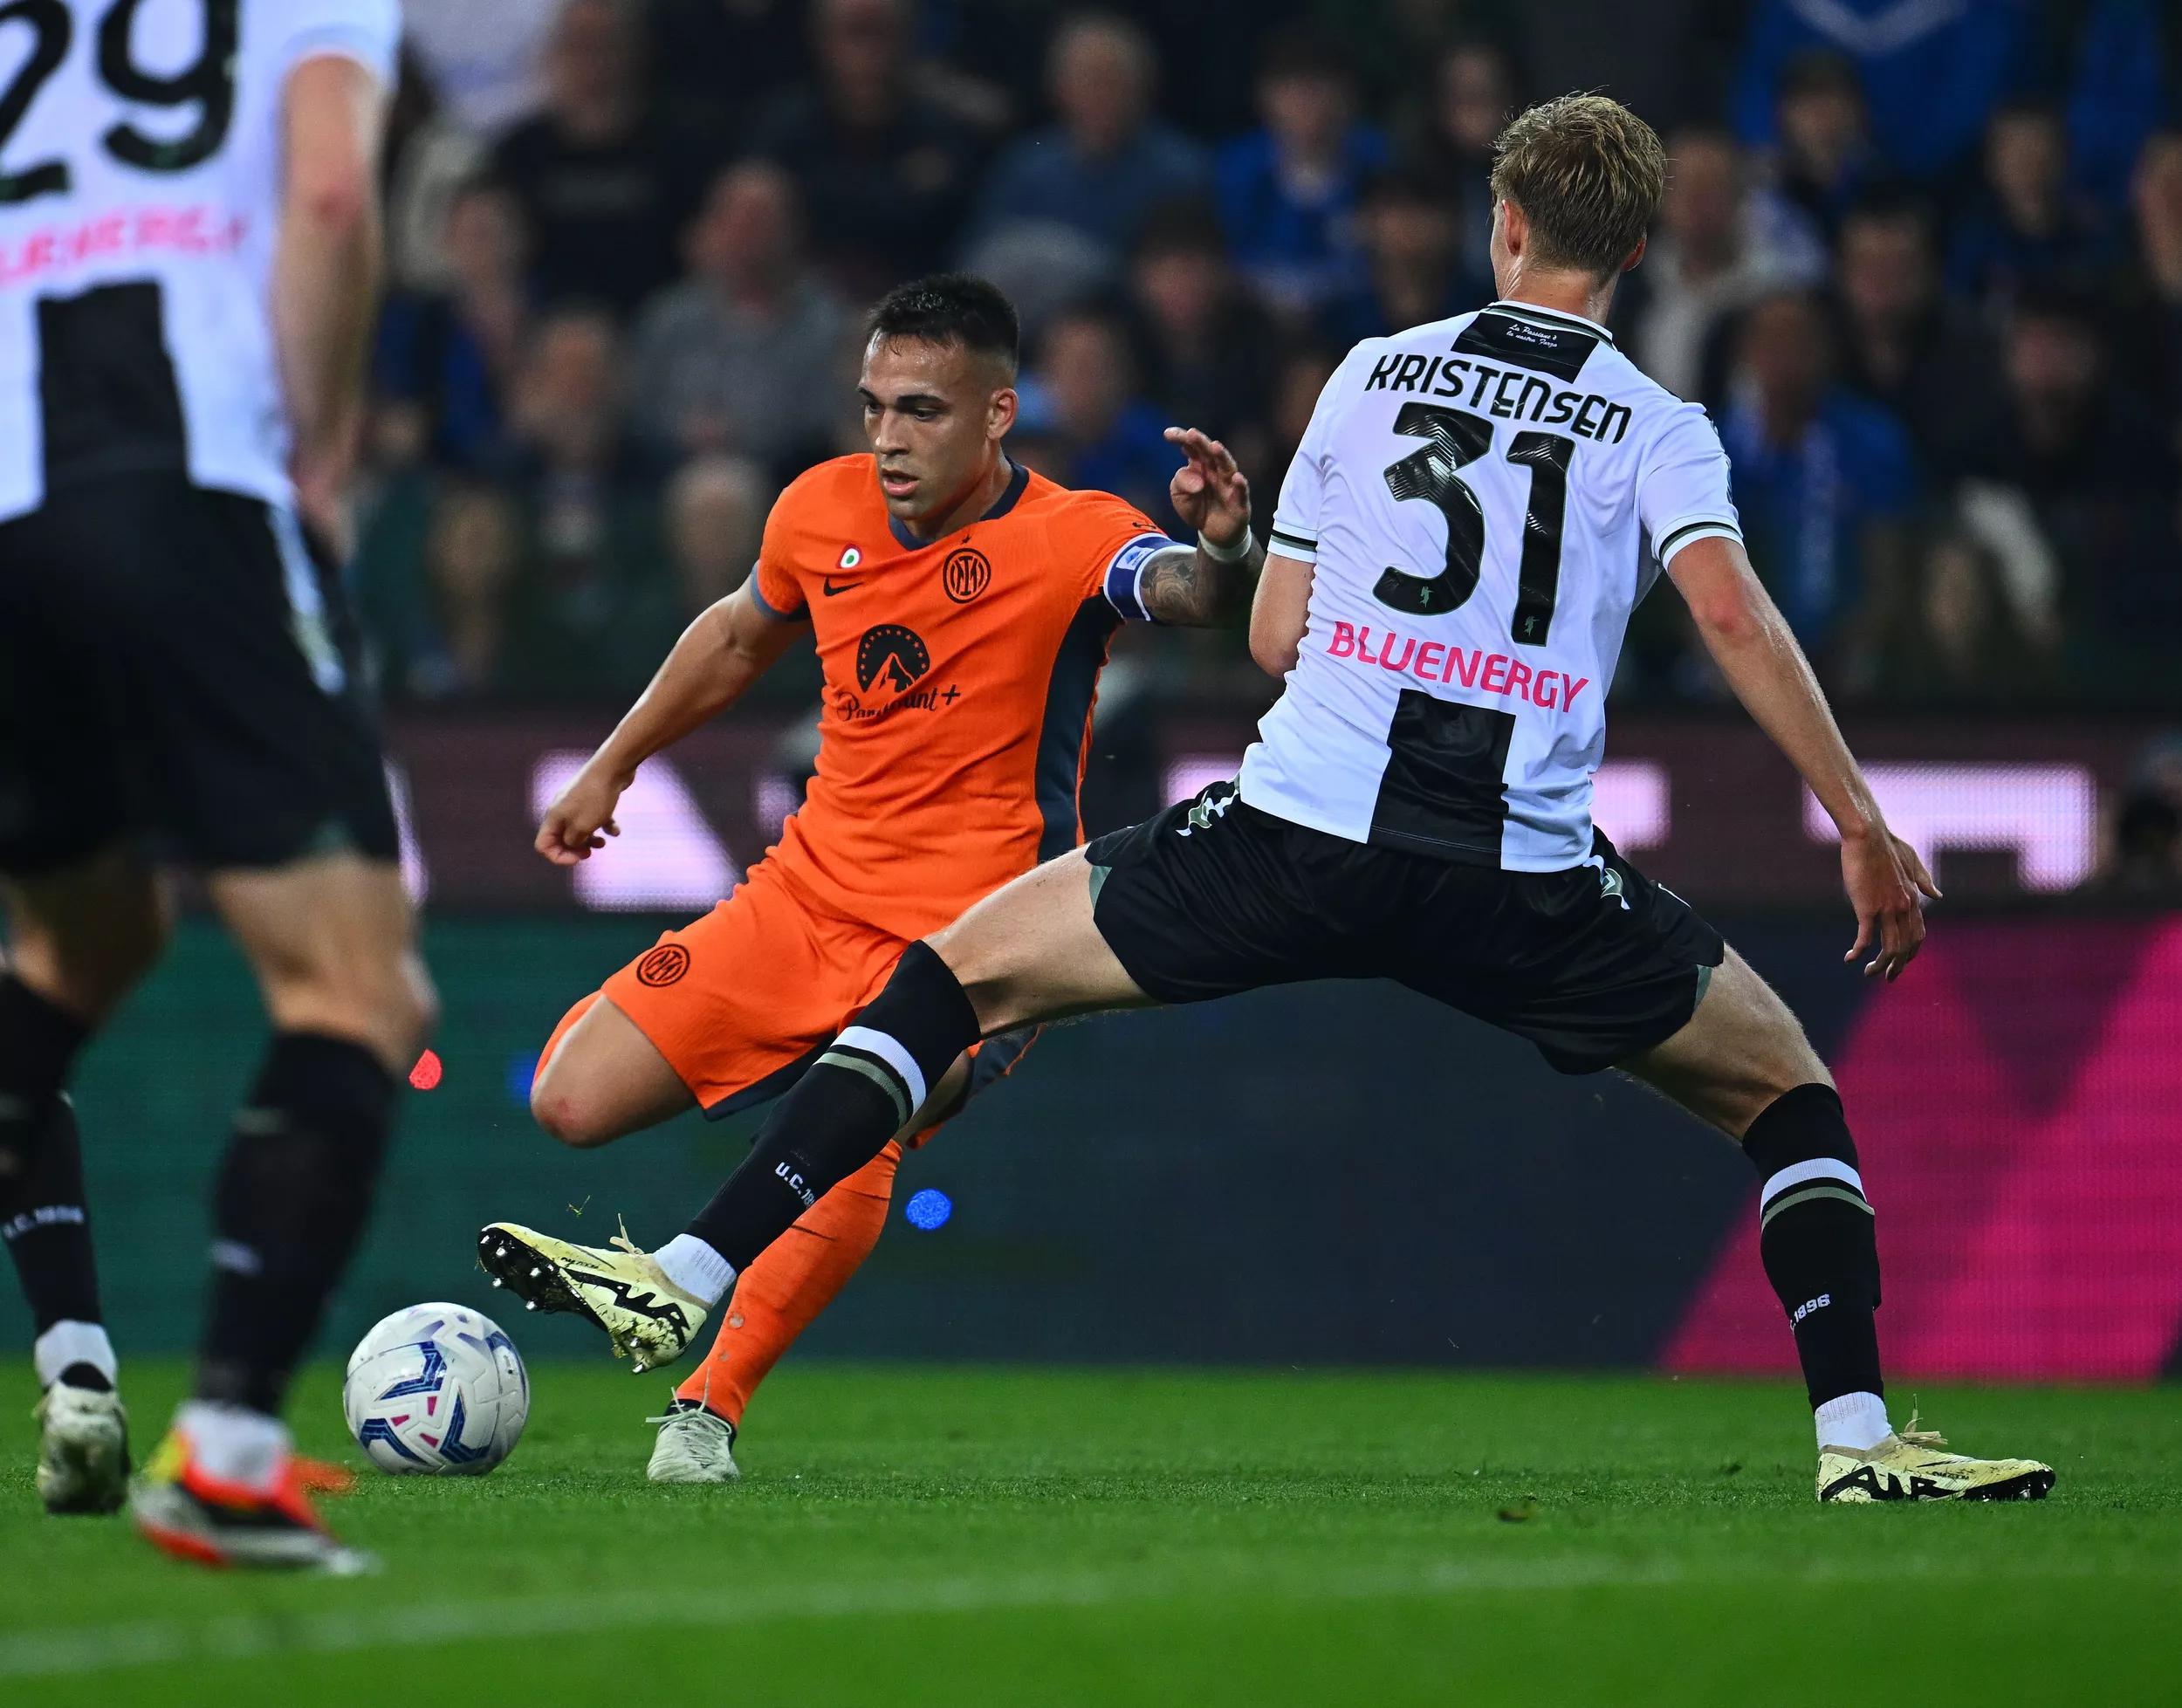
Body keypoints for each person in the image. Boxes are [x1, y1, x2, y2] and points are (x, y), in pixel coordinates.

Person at [484, 96, 2055, 1505]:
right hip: (1520, 872)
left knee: (951, 977)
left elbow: (1273, 637)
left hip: (1297, 832)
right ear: (1635, 248)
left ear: (1504, 224)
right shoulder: (1659, 424)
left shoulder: (1374, 374)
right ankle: (1858, 1441)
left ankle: (689, 1266)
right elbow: (1727, 616)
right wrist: (1858, 819)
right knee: (1788, 1095)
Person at [497, 275, 1259, 1481]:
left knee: (867, 1122)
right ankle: (705, 1264)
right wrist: (612, 765)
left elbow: (1193, 595)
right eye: (874, 407)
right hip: (801, 896)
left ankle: (704, 1407)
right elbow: (737, 635)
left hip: (972, 945)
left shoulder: (1073, 533)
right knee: (567, 1101)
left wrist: (1223, 542)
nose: (889, 439)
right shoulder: (819, 508)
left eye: (922, 411)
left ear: (998, 414)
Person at [0, 1, 434, 1567]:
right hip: (186, 485)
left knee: (84, 941)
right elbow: (328, 191)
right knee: (358, 989)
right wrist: (318, 451)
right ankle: (232, 1450)